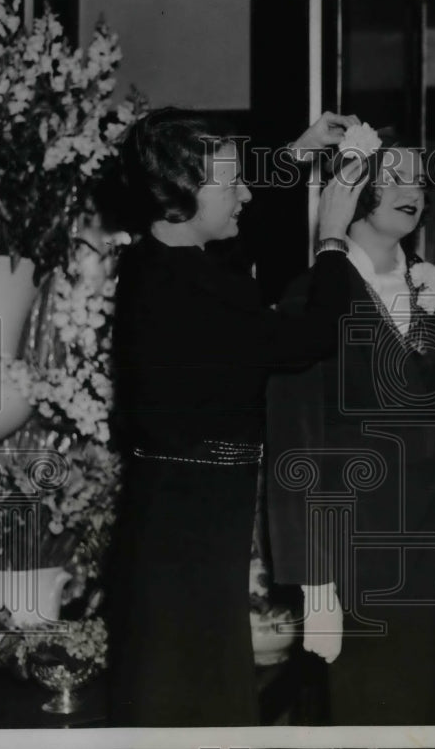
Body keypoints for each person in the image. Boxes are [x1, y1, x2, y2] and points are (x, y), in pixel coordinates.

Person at [104, 106, 366, 726]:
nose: (246, 191)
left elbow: (241, 217)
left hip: (182, 522)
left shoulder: (162, 261)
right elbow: (313, 335)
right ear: (183, 195)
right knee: (190, 700)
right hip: (186, 537)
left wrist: (299, 149)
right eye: (230, 182)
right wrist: (333, 235)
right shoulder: (195, 288)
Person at [265, 132, 435, 725]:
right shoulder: (310, 298)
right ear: (352, 188)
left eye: (418, 180)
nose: (412, 191)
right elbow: (295, 447)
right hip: (357, 557)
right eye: (394, 178)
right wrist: (316, 584)